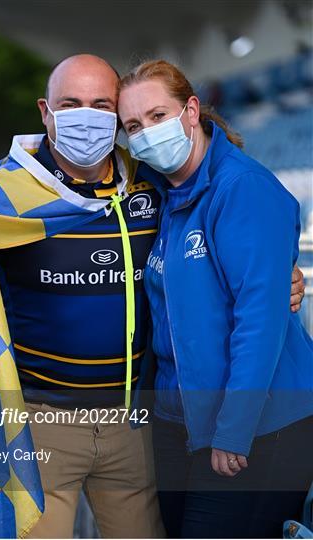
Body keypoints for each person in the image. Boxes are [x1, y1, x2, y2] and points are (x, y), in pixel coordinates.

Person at [0, 54, 304, 539]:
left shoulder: (149, 184)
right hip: (41, 423)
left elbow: (234, 252)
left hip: (137, 423)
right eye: (70, 104)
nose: (86, 116)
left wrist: (279, 272)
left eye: (101, 105)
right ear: (45, 111)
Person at [117, 59, 313, 539]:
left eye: (157, 115)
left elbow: (259, 321)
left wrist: (233, 431)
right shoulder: (158, 195)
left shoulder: (241, 188)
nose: (146, 133)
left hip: (257, 427)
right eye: (133, 125)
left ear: (190, 110)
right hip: (176, 424)